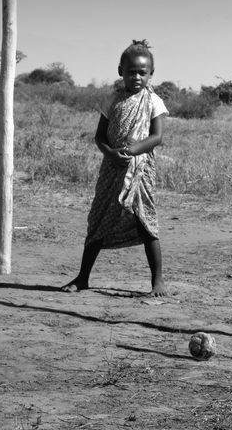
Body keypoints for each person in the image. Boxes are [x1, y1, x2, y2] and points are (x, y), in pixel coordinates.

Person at [62, 40, 169, 297]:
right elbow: (100, 136)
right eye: (131, 72)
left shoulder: (153, 101)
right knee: (99, 218)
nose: (136, 77)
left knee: (145, 220)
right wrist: (110, 153)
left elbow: (157, 137)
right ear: (120, 71)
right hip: (111, 168)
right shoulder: (111, 100)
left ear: (151, 74)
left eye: (142, 72)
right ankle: (83, 277)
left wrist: (132, 151)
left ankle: (158, 281)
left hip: (140, 171)